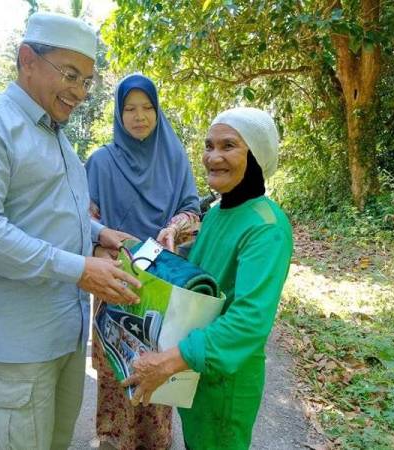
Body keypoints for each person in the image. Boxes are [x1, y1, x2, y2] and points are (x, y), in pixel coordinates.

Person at [0, 12, 141, 450]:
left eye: (87, 81)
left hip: (62, 336)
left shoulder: (56, 137)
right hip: (15, 347)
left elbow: (47, 213)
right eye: (70, 74)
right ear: (27, 58)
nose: (80, 92)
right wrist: (79, 269)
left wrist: (97, 233)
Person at [124, 107, 294, 450]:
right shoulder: (218, 212)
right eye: (208, 145)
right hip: (198, 371)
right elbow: (203, 275)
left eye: (228, 146)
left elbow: (249, 321)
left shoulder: (266, 226)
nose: (213, 157)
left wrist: (168, 361)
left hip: (226, 382)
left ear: (257, 155)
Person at [85, 73, 200, 450]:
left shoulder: (173, 156)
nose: (139, 116)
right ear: (118, 114)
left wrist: (174, 227)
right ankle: (113, 441)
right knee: (117, 373)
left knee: (159, 372)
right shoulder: (100, 162)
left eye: (147, 108)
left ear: (157, 111)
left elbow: (191, 210)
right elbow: (84, 219)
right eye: (129, 108)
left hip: (164, 285)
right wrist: (101, 243)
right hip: (114, 281)